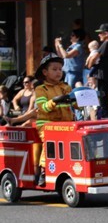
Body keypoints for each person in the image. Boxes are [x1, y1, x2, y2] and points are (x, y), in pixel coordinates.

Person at [34, 53, 74, 186]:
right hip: (47, 124)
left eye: (60, 69)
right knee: (50, 142)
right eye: (54, 69)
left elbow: (76, 105)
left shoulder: (66, 87)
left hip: (66, 124)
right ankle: (44, 171)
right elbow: (43, 107)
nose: (58, 72)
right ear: (45, 72)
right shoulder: (41, 89)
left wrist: (82, 99)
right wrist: (54, 101)